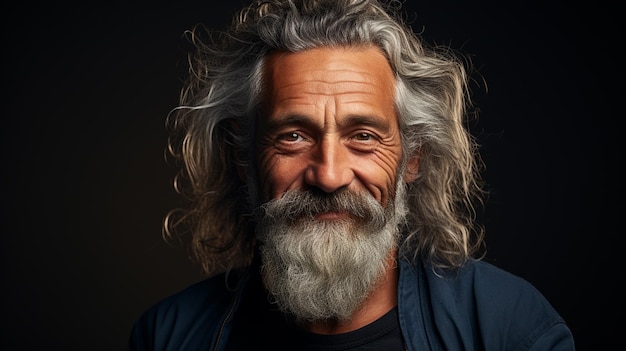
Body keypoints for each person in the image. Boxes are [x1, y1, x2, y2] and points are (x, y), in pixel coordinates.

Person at [128, 0, 575, 349]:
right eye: (293, 136)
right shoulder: (168, 336)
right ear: (243, 157)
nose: (329, 176)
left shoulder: (510, 329)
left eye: (362, 136)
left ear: (411, 157)